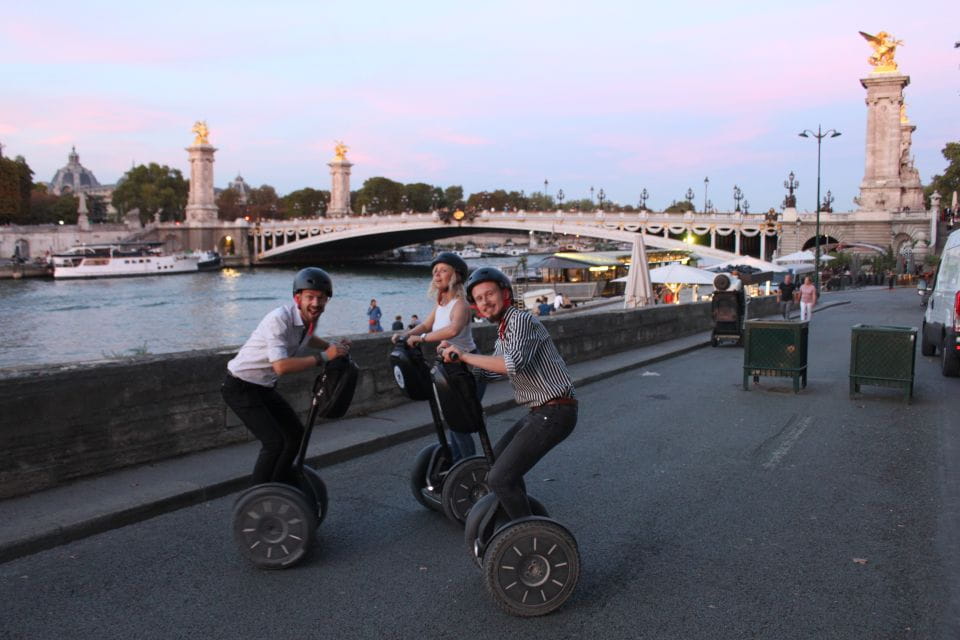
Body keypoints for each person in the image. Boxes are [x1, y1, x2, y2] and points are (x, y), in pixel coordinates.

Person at [440, 267, 577, 521]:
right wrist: (459, 360)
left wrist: (466, 355)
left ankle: (525, 531)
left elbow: (512, 365)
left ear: (505, 293)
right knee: (498, 463)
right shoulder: (504, 329)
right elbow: (493, 372)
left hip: (556, 411)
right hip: (540, 411)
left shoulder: (521, 320)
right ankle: (526, 518)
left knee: (500, 477)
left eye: (489, 294)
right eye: (479, 299)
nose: (485, 302)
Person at [221, 268, 350, 485]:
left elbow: (307, 338)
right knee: (274, 442)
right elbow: (280, 367)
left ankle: (279, 483)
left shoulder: (308, 319)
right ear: (297, 298)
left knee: (295, 434)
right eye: (310, 297)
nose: (316, 303)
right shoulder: (279, 319)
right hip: (240, 386)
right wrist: (325, 357)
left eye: (321, 298)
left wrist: (333, 346)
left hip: (263, 386)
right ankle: (258, 496)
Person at [395, 252, 478, 461]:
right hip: (448, 366)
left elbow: (453, 330)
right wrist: (405, 335)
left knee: (460, 423)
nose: (437, 275)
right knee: (452, 421)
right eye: (434, 272)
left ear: (456, 275)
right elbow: (425, 325)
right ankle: (458, 467)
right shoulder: (441, 304)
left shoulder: (461, 304)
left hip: (467, 367)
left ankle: (470, 468)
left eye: (442, 271)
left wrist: (421, 339)